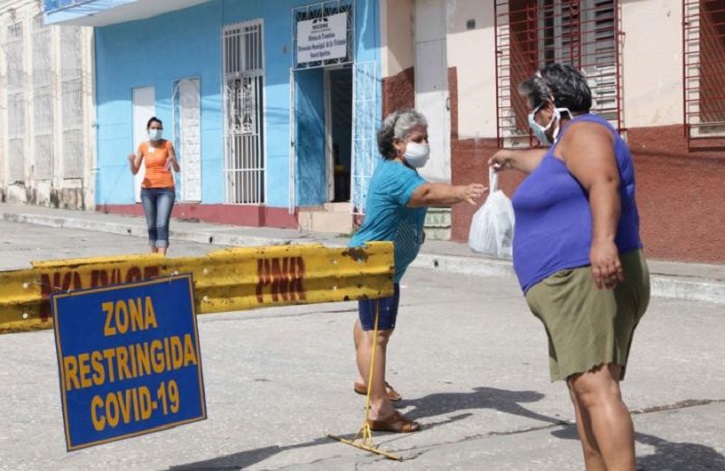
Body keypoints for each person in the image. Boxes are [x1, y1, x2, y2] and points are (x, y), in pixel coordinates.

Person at [489, 64, 650, 470]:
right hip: (569, 282)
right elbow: (551, 163)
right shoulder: (569, 141)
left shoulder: (584, 132)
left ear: (550, 106)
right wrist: (511, 158)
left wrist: (603, 243)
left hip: (583, 277)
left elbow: (604, 181)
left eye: (534, 110)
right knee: (583, 391)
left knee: (596, 388)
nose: (533, 119)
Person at [349, 108, 487, 433]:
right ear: (397, 143)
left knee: (369, 326)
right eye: (418, 139)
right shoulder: (397, 174)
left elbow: (408, 206)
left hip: (379, 262)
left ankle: (367, 379)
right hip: (375, 264)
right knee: (377, 334)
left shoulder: (401, 170)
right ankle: (380, 410)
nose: (425, 144)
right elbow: (425, 194)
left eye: (426, 138)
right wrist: (460, 191)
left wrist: (414, 234)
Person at [128, 117, 180, 256]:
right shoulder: (143, 147)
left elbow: (177, 169)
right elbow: (135, 170)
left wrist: (173, 160)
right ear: (148, 130)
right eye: (153, 128)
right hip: (147, 190)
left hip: (166, 189)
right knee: (151, 225)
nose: (156, 130)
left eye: (159, 128)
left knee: (161, 224)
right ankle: (154, 256)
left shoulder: (167, 144)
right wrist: (131, 161)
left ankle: (161, 258)